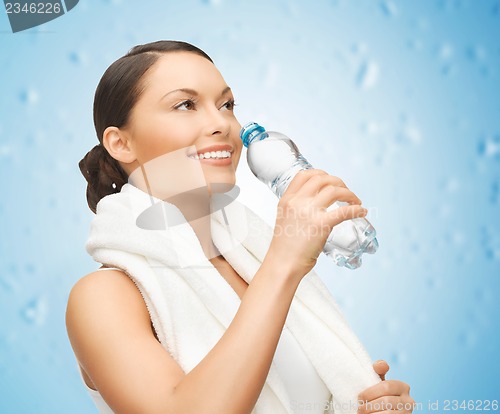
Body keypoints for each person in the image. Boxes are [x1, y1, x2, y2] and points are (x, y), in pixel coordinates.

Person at [66, 40, 414, 414]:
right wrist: (284, 262)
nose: (221, 124)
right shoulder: (103, 297)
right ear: (121, 143)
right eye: (185, 104)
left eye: (227, 105)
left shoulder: (252, 265)